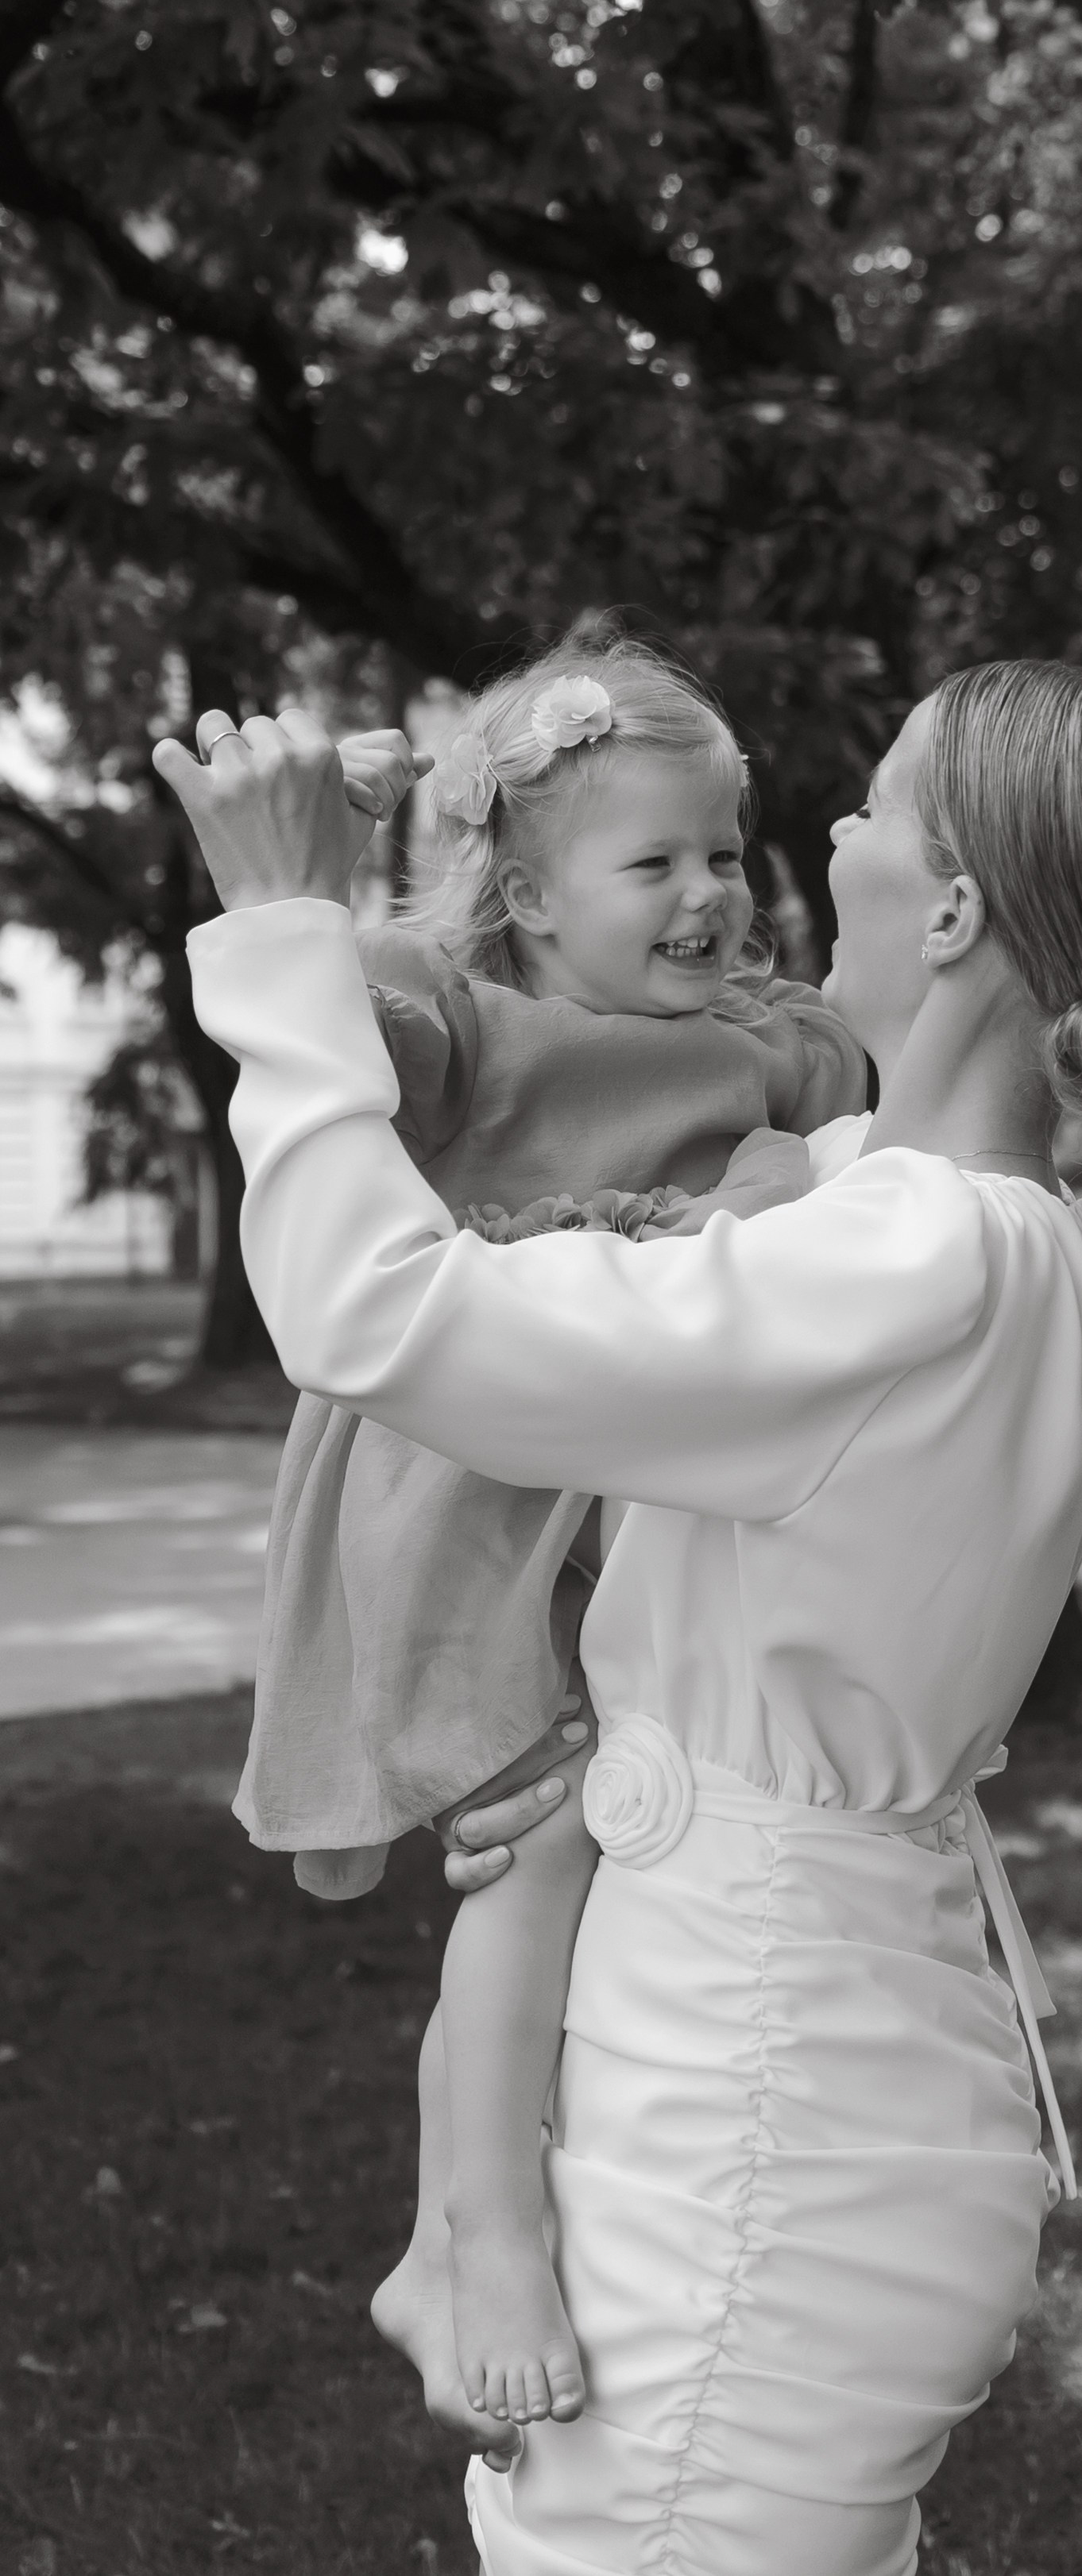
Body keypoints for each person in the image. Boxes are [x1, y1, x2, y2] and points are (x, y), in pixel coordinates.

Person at [157, 657, 1082, 2574]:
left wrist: (274, 927)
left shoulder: (908, 1259)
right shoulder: (960, 1223)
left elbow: (387, 1315)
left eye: (873, 810)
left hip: (759, 2120)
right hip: (815, 2065)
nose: (823, 842)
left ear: (962, 905)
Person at [248, 637, 863, 2441]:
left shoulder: (759, 1037)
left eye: (724, 852)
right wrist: (330, 884)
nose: (706, 895)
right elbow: (354, 1017)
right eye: (651, 862)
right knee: (539, 1850)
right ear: (524, 890)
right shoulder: (473, 1014)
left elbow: (909, 1084)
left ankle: (461, 2223)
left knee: (612, 1848)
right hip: (474, 1495)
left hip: (635, 1497)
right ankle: (486, 2231)